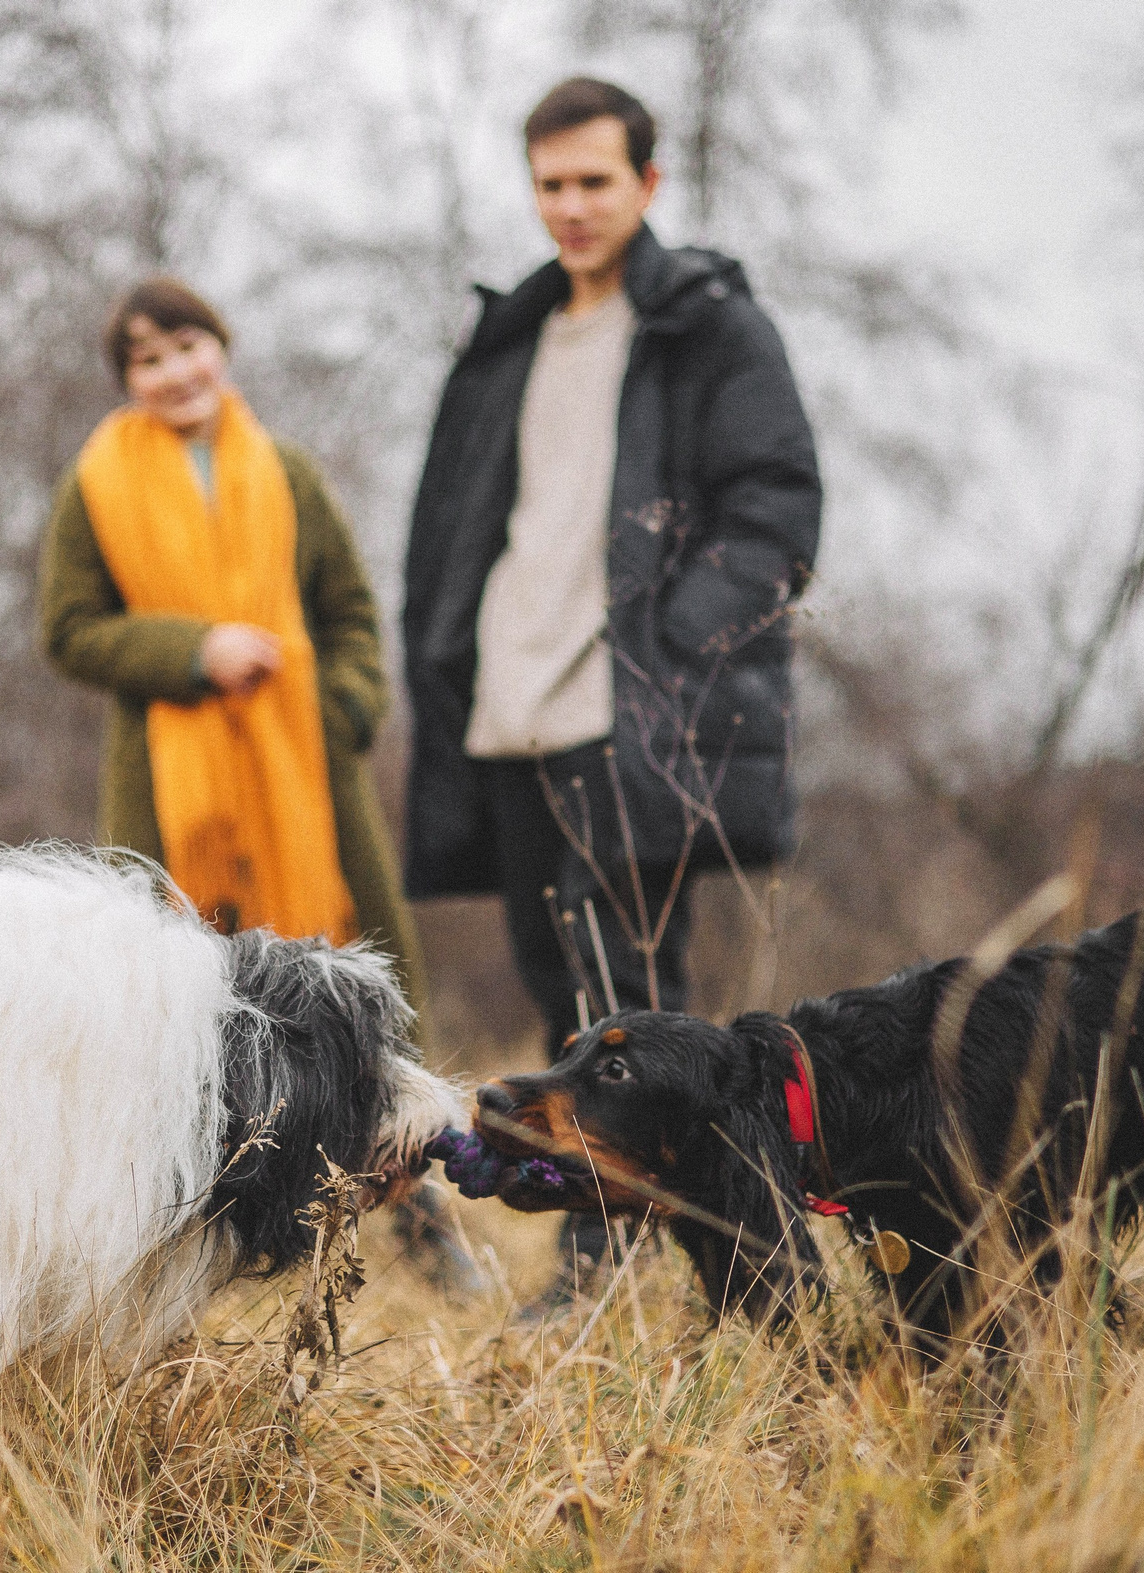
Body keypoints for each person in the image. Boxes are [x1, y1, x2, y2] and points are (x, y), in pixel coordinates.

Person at [401, 78, 823, 1302]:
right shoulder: (507, 338)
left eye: (595, 180)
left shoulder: (711, 328)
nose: (571, 206)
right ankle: (599, 1238)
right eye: (550, 184)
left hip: (639, 710)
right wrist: (449, 648)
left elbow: (776, 512)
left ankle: (631, 1256)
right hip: (511, 699)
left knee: (632, 991)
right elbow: (455, 525)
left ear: (647, 183)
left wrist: (670, 647)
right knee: (556, 981)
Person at [41, 278, 424, 1004]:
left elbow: (351, 611)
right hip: (163, 772)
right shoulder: (94, 485)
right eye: (149, 360)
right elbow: (67, 629)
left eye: (189, 346)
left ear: (220, 347)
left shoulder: (290, 472)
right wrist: (194, 652)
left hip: (306, 758)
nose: (177, 372)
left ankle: (394, 1119)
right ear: (128, 380)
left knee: (357, 981)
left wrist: (346, 710)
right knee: (174, 982)